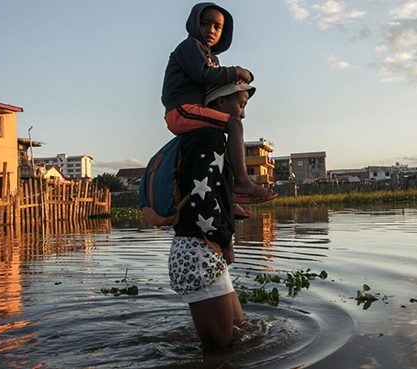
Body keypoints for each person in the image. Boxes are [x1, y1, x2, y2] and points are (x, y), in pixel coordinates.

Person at [168, 82, 257, 350]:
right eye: (240, 105)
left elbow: (209, 192)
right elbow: (203, 201)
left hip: (200, 251)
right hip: (200, 253)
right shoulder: (211, 137)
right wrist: (226, 241)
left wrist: (230, 212)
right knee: (219, 351)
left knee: (242, 332)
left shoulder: (194, 138)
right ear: (219, 104)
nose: (242, 114)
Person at [161, 2, 276, 204]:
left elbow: (213, 84)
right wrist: (236, 71)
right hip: (181, 110)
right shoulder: (190, 46)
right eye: (205, 24)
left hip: (194, 109)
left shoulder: (210, 57)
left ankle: (226, 197)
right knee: (234, 124)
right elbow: (204, 74)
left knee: (221, 144)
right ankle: (242, 181)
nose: (210, 30)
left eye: (217, 26)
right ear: (194, 23)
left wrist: (233, 80)